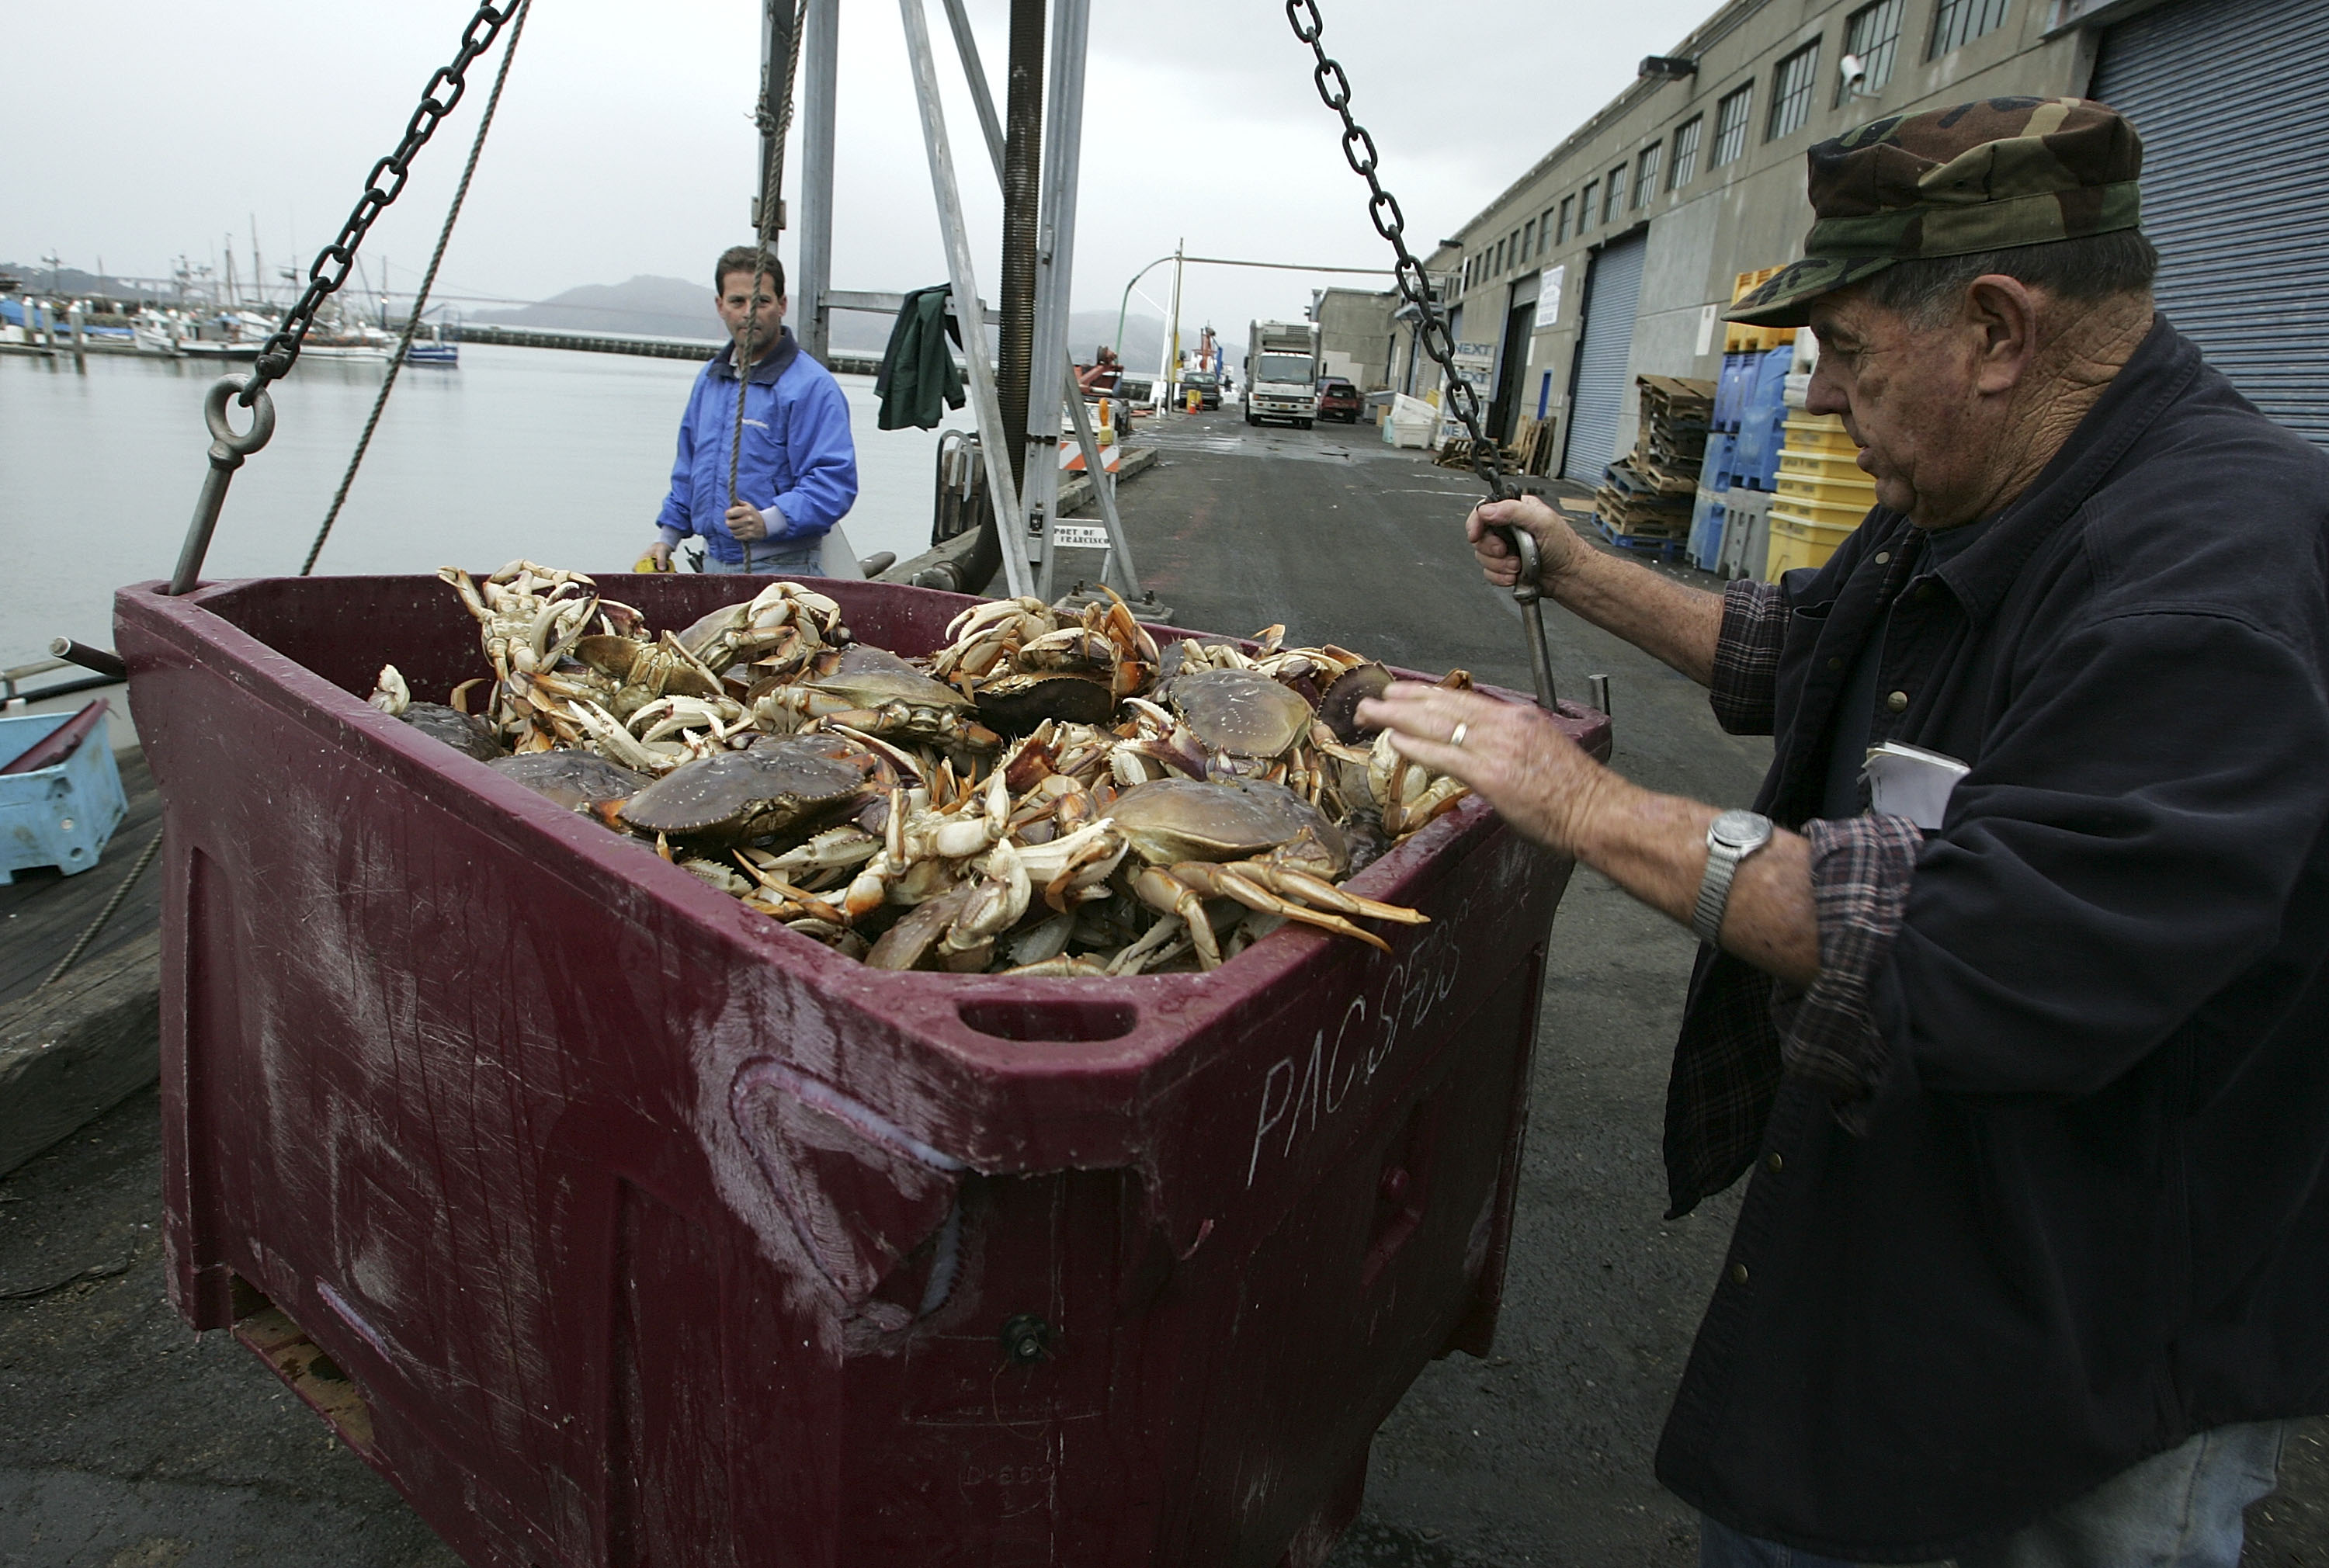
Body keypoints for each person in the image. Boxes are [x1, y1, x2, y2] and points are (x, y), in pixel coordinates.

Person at [1359, 98, 2329, 1566]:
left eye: (1848, 353)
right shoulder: (1987, 479)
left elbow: (1978, 950)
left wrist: (1580, 803)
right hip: (1914, 1241)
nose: (1817, 401)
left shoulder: (2206, 581)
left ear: (1997, 330)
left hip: (2096, 1337)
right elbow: (1800, 646)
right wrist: (1578, 567)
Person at [641, 245, 857, 574]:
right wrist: (667, 538)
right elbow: (689, 469)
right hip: (714, 563)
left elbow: (833, 482)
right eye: (737, 302)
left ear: (782, 306)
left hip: (784, 568)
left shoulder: (812, 387)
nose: (748, 313)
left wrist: (768, 521)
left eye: (762, 302)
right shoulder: (711, 380)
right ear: (720, 306)